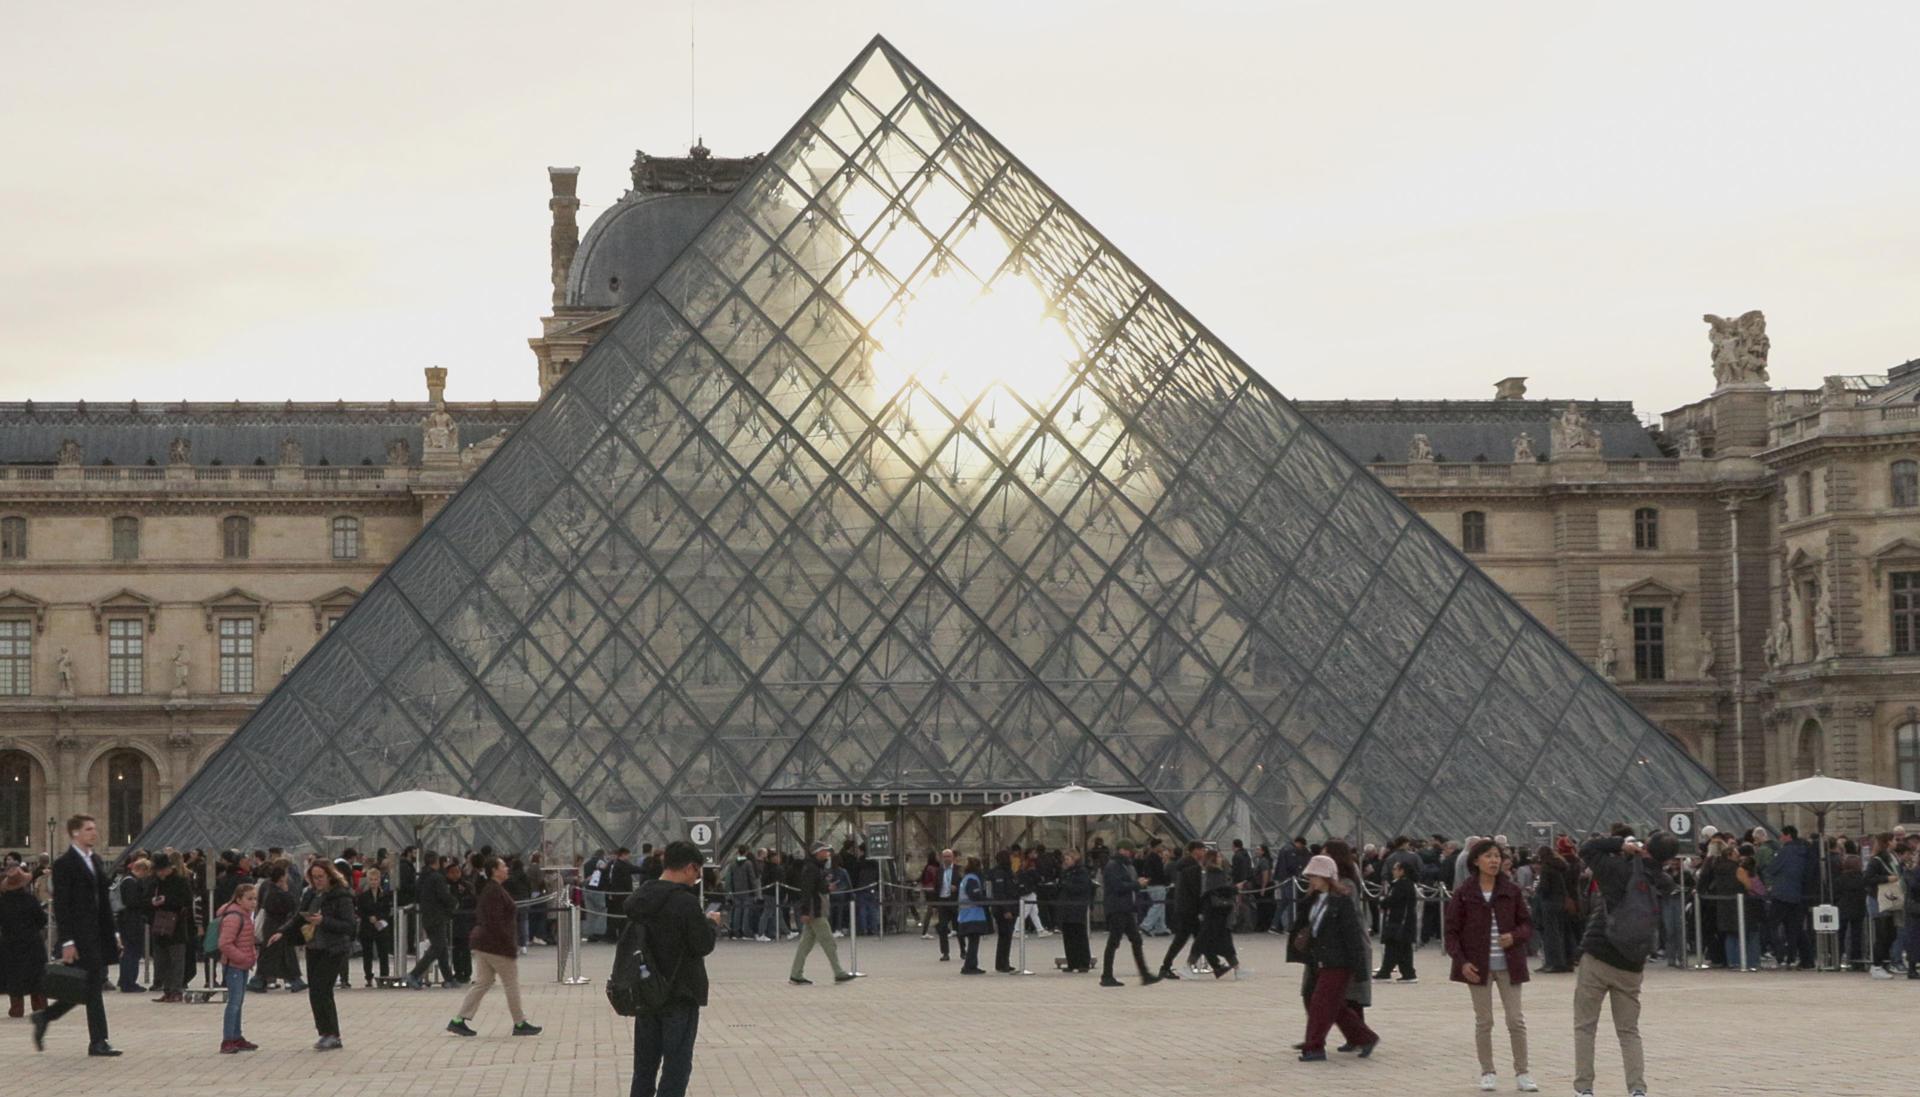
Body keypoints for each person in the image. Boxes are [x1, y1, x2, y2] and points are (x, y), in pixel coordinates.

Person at [1572, 828, 1679, 1097]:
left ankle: (1584, 1088)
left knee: (1586, 1026)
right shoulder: (1663, 881)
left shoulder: (1616, 869)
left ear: (1644, 848)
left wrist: (1621, 844)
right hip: (1632, 963)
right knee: (1629, 1031)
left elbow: (1586, 848)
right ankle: (1637, 1088)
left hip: (1599, 953)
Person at [622, 840, 723, 1097]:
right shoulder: (685, 903)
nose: (697, 878)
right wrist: (711, 924)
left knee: (644, 1066)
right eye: (697, 872)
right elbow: (701, 945)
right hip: (680, 992)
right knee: (676, 1066)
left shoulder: (640, 898)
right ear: (689, 868)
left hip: (646, 990)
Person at [1446, 839, 1536, 1093]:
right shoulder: (1464, 893)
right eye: (1488, 856)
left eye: (1497, 856)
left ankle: (1523, 1071)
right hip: (1477, 967)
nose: (1494, 860)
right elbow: (1451, 931)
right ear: (1476, 861)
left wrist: (1515, 937)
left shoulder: (1512, 890)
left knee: (1516, 1020)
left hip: (1509, 964)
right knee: (1484, 1021)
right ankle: (1487, 1071)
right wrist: (1461, 963)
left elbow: (1527, 925)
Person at [30, 814, 120, 1056]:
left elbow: (103, 902)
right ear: (75, 833)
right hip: (80, 935)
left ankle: (46, 1016)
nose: (94, 832)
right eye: (89, 829)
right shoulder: (64, 864)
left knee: (89, 985)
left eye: (94, 828)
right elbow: (63, 905)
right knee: (93, 984)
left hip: (98, 933)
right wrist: (68, 940)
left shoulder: (96, 860)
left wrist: (114, 932)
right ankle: (98, 1041)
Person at [446, 856, 542, 1038]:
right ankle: (519, 1022)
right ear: (494, 871)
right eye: (503, 866)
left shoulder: (492, 889)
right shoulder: (494, 891)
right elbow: (496, 922)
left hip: (484, 943)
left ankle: (459, 1019)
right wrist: (509, 945)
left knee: (483, 982)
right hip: (496, 945)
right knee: (511, 982)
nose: (506, 869)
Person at [1296, 854, 1379, 1062]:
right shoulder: (1313, 900)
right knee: (1334, 1005)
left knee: (1321, 1004)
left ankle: (1314, 1047)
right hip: (1320, 960)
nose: (1311, 879)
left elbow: (1352, 935)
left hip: (1339, 962)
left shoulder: (1341, 902)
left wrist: (1359, 968)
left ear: (1326, 876)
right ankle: (1365, 1036)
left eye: (1315, 875)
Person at [268, 859, 356, 1051]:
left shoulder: (341, 896)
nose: (317, 881)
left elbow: (349, 926)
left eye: (321, 877)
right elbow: (299, 916)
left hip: (333, 948)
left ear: (330, 875)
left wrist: (324, 921)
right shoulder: (310, 894)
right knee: (315, 991)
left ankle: (333, 1034)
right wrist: (282, 931)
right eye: (314, 877)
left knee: (323, 990)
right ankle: (324, 1032)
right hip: (314, 946)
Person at [788, 842, 854, 985]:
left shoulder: (814, 868)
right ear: (818, 852)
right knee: (829, 942)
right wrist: (806, 911)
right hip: (815, 911)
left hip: (813, 910)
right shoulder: (812, 869)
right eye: (825, 851)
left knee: (805, 945)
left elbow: (816, 887)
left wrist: (826, 887)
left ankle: (796, 973)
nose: (828, 853)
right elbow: (807, 891)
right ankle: (838, 972)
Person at [1098, 842, 1161, 987]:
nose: (1131, 853)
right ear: (1121, 850)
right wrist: (1137, 884)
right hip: (1117, 908)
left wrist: (1136, 884)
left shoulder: (1124, 865)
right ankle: (1107, 976)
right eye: (1128, 850)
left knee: (1135, 940)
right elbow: (1117, 886)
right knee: (1114, 941)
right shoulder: (1113, 866)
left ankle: (1144, 974)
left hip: (1125, 908)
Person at [214, 881, 260, 1053]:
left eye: (255, 899)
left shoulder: (245, 915)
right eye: (249, 899)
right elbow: (225, 943)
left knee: (238, 1001)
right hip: (234, 965)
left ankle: (236, 1036)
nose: (253, 903)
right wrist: (242, 958)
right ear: (239, 899)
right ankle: (227, 1039)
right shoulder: (234, 916)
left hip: (242, 964)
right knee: (234, 1002)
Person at [1, 865, 48, 1017]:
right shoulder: (30, 899)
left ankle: (16, 1008)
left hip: (10, 943)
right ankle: (39, 1005)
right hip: (32, 941)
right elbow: (42, 920)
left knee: (13, 976)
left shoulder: (3, 902)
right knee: (36, 975)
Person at [147, 851, 194, 1002]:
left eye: (161, 870)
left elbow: (186, 900)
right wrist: (152, 902)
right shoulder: (155, 882)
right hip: (159, 925)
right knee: (162, 960)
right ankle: (167, 990)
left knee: (176, 960)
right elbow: (144, 899)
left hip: (176, 925)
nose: (159, 873)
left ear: (168, 868)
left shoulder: (180, 881)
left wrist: (166, 900)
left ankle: (176, 991)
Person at [1158, 840, 1206, 979]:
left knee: (1196, 938)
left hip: (1185, 907)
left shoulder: (1185, 864)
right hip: (1189, 909)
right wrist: (1200, 908)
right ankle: (1172, 966)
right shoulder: (1192, 867)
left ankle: (1214, 965)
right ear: (1194, 850)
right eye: (1201, 849)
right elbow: (1195, 890)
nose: (1203, 852)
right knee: (1185, 939)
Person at [408, 853, 456, 987]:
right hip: (438, 916)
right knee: (437, 947)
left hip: (427, 916)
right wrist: (454, 903)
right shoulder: (437, 878)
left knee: (442, 947)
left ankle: (449, 978)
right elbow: (444, 896)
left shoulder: (422, 877)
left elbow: (416, 895)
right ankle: (414, 974)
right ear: (436, 862)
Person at [1196, 847, 1239, 977]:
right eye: (1219, 857)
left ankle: (1224, 966)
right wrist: (1234, 890)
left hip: (1212, 911)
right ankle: (1235, 967)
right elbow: (1220, 891)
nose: (1222, 858)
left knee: (1208, 941)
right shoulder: (1216, 873)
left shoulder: (1210, 872)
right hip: (1218, 911)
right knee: (1222, 940)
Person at [1374, 859, 1418, 983]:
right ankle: (1407, 973)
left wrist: (1382, 903)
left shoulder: (1402, 885)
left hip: (1399, 921)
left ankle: (1386, 972)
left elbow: (1394, 900)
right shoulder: (1404, 884)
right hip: (1402, 921)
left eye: (1395, 869)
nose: (1393, 871)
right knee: (1402, 948)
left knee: (1394, 946)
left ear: (1402, 871)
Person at [112, 857, 151, 993]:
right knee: (131, 951)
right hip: (130, 921)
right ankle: (129, 982)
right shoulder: (130, 882)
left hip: (127, 919)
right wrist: (145, 901)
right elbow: (132, 902)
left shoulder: (126, 880)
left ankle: (126, 980)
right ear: (141, 870)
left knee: (129, 951)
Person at [1055, 848, 1094, 973]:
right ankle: (1072, 962)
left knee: (1079, 935)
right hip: (1066, 907)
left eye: (1067, 859)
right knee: (1068, 935)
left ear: (1074, 859)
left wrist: (1067, 885)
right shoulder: (1066, 872)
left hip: (1076, 908)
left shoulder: (1081, 872)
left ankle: (1083, 962)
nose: (1065, 862)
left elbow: (1082, 888)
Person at [356, 867, 394, 986]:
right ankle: (368, 977)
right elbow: (360, 910)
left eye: (376, 879)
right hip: (367, 927)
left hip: (381, 927)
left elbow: (387, 910)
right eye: (371, 879)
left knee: (383, 953)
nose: (373, 882)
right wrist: (368, 917)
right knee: (367, 954)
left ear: (379, 880)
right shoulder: (363, 896)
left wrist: (378, 917)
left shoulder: (384, 896)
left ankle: (384, 977)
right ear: (368, 880)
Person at [953, 856, 990, 974]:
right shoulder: (973, 879)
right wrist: (988, 900)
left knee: (973, 942)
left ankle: (972, 964)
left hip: (965, 915)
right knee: (974, 942)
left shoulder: (965, 878)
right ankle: (969, 966)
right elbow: (975, 896)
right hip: (973, 915)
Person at [930, 849, 960, 962]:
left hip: (953, 901)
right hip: (942, 900)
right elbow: (935, 888)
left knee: (958, 927)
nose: (947, 859)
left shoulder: (958, 870)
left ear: (953, 858)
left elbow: (962, 883)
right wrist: (934, 905)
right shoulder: (939, 871)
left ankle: (963, 950)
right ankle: (945, 952)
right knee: (942, 928)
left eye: (949, 856)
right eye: (945, 857)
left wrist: (956, 888)